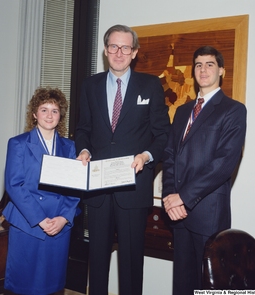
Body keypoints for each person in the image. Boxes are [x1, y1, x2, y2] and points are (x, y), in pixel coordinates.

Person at [75, 24, 170, 295]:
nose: (119, 52)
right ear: (106, 50)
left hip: (134, 186)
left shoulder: (151, 85)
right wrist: (83, 150)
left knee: (131, 263)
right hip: (99, 190)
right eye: (113, 46)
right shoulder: (90, 85)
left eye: (125, 47)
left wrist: (147, 155)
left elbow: (163, 134)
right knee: (98, 260)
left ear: (134, 52)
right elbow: (83, 129)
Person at [162, 46, 247, 295]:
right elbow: (169, 157)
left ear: (221, 70)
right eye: (198, 64)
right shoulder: (181, 112)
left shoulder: (233, 110)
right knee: (182, 284)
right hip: (177, 214)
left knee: (209, 285)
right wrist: (170, 196)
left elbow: (223, 164)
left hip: (208, 213)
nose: (203, 69)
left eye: (210, 64)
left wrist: (184, 197)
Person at [3, 87, 81, 295]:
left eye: (54, 111)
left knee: (52, 284)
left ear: (60, 115)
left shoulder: (69, 146)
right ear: (34, 114)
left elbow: (74, 186)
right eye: (44, 109)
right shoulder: (18, 143)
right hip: (28, 222)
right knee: (25, 283)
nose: (49, 115)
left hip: (58, 224)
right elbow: (14, 185)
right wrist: (39, 219)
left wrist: (64, 218)